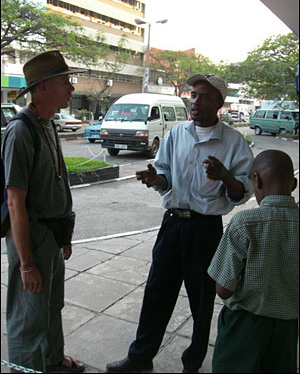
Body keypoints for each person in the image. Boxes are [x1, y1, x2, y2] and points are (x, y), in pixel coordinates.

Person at [106, 74, 254, 373]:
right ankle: (140, 357)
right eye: (194, 95)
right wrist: (154, 179)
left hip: (206, 230)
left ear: (218, 104)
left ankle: (192, 362)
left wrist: (226, 175)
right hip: (172, 224)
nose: (195, 101)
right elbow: (165, 178)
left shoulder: (233, 142)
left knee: (201, 300)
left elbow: (241, 194)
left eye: (203, 97)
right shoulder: (176, 135)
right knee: (156, 291)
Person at [1, 50, 86, 373]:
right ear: (43, 87)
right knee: (28, 315)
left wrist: (64, 235)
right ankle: (26, 369)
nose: (71, 87)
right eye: (65, 81)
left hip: (52, 236)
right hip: (32, 240)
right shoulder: (20, 131)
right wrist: (26, 265)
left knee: (51, 305)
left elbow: (55, 184)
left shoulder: (47, 124)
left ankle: (52, 360)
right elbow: (14, 203)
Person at [208, 149, 299, 373]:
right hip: (287, 327)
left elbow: (223, 289)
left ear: (256, 180)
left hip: (244, 327)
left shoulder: (245, 223)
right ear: (294, 184)